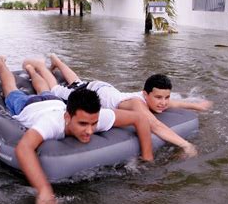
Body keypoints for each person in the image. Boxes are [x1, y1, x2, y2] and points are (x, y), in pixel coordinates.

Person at [0, 56, 153, 204]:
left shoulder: (96, 117)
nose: (89, 130)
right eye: (82, 124)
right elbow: (23, 148)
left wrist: (146, 159)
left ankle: (31, 70)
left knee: (45, 90)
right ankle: (0, 64)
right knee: (11, 90)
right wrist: (44, 191)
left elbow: (140, 119)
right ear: (68, 117)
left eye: (93, 124)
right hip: (29, 108)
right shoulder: (51, 123)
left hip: (53, 101)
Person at [27, 54, 212, 158]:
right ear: (146, 95)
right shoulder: (136, 102)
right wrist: (185, 145)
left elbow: (174, 102)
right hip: (96, 91)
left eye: (165, 98)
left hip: (103, 88)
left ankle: (57, 60)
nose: (163, 103)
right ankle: (42, 67)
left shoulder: (149, 97)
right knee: (56, 89)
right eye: (159, 98)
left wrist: (197, 106)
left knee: (77, 81)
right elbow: (154, 125)